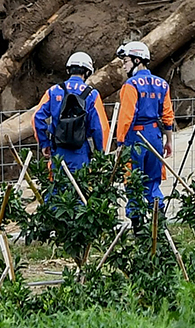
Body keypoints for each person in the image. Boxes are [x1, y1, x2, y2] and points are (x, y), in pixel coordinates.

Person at [113, 40, 175, 221]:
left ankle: (138, 230)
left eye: (126, 61)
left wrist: (120, 143)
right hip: (155, 136)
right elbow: (167, 115)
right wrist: (169, 141)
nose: (124, 66)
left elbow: (126, 118)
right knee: (153, 183)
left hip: (135, 137)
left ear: (137, 60)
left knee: (133, 184)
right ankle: (159, 227)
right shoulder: (162, 84)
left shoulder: (131, 85)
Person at [34, 51, 108, 187]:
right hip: (80, 150)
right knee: (79, 192)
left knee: (57, 193)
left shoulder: (53, 91)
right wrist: (100, 153)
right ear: (87, 72)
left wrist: (44, 144)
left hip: (58, 149)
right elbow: (99, 127)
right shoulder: (92, 94)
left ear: (69, 69)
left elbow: (37, 118)